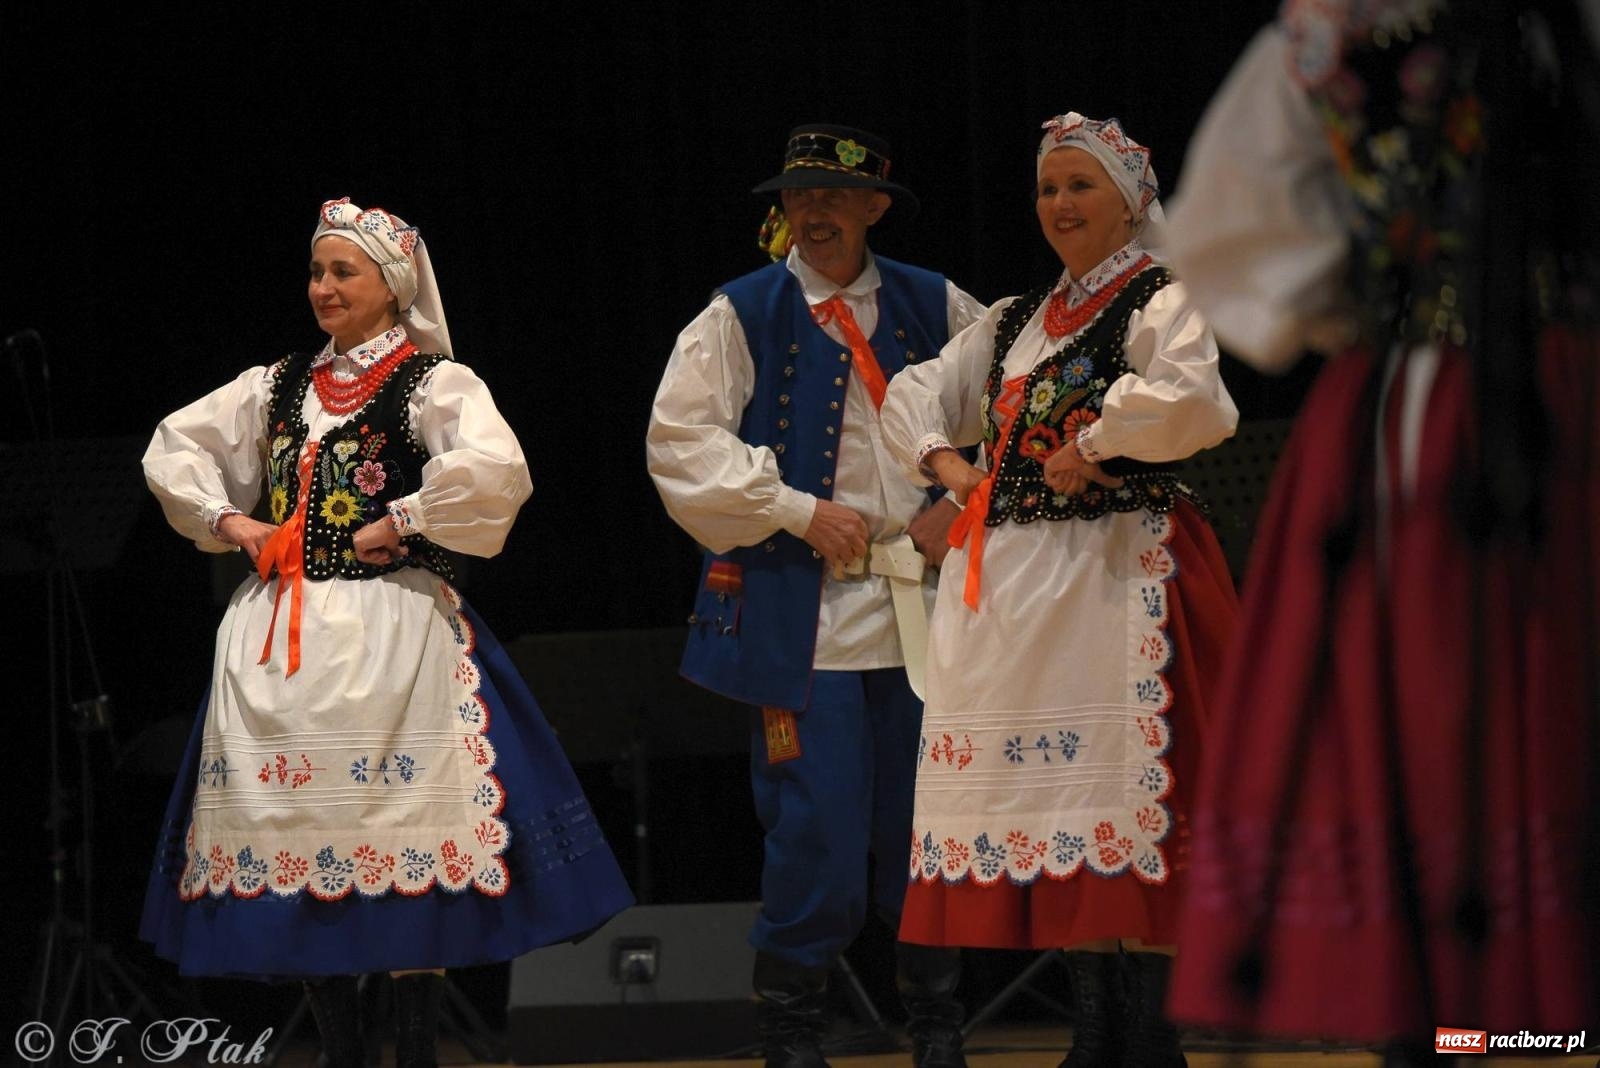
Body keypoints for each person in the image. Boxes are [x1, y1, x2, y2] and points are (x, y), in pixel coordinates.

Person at [1161, 3, 1600, 1064]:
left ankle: (1470, 1023)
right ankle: (1479, 1025)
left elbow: (1244, 258)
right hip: (1486, 401)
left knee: (1446, 711)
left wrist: (1363, 307)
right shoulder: (1350, 31)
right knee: (1465, 709)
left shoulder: (1339, 32)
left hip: (1438, 398)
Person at [140, 198, 634, 1068]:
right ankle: (339, 1049)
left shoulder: (433, 382)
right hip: (282, 646)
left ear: (392, 286)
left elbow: (495, 471)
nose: (323, 288)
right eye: (317, 271)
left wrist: (405, 515)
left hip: (391, 633)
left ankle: (414, 1050)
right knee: (298, 825)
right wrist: (231, 521)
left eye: (343, 273)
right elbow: (174, 445)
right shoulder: (278, 384)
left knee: (402, 821)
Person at [880, 114, 1240, 1068]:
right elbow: (912, 395)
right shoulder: (1013, 320)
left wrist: (1098, 441)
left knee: (1133, 799)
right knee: (1062, 808)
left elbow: (1196, 399)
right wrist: (948, 468)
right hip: (1023, 592)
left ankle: (1151, 1038)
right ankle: (1094, 1033)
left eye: (1082, 186)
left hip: (1125, 574)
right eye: (1049, 188)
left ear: (1129, 203)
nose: (1061, 204)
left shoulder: (1165, 296)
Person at [646, 123, 986, 1068]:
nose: (813, 213)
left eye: (833, 197)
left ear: (876, 207)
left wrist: (952, 510)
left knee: (926, 834)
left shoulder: (938, 305)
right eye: (797, 197)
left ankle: (937, 1024)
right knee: (821, 840)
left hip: (926, 612)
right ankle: (790, 1025)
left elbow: (1012, 413)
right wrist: (797, 513)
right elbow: (681, 443)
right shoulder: (743, 312)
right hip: (810, 620)